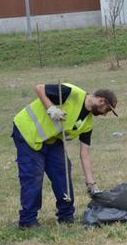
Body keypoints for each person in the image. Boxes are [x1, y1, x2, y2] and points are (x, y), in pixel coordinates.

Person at [12, 82, 118, 228]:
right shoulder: (71, 92)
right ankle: (28, 220)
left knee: (62, 171)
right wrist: (51, 109)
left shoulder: (87, 123)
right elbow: (39, 88)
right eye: (107, 110)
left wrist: (91, 185)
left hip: (52, 138)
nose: (105, 114)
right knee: (33, 175)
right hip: (28, 131)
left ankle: (66, 216)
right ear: (101, 101)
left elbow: (85, 153)